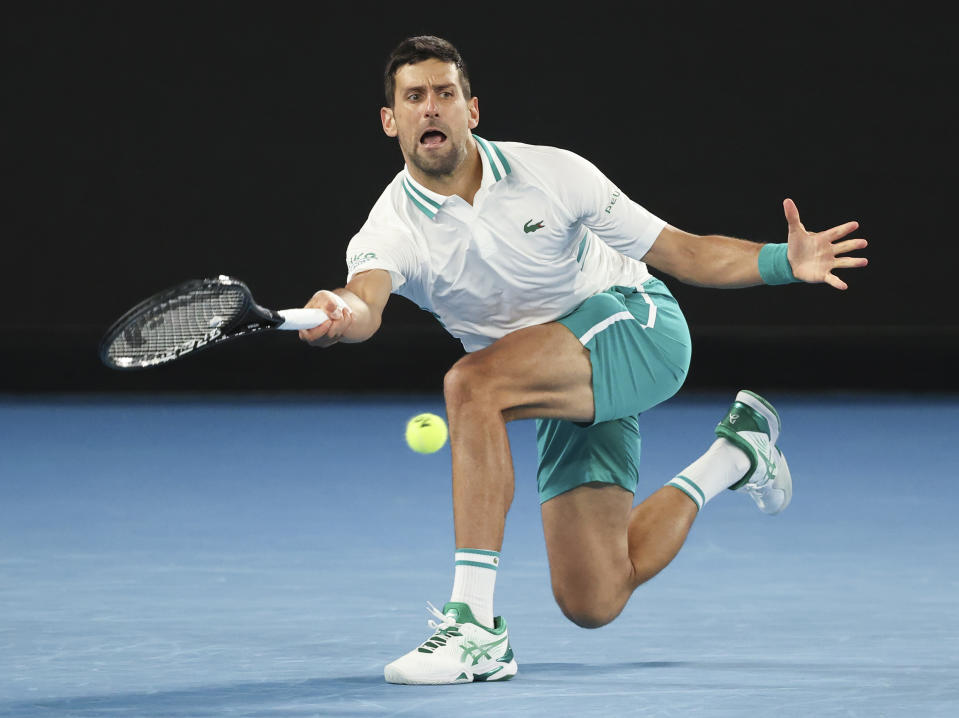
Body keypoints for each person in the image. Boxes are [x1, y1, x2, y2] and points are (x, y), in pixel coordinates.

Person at [298, 35, 868, 685]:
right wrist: (339, 311)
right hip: (552, 372)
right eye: (414, 97)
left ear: (471, 110)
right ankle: (735, 455)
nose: (431, 108)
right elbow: (365, 301)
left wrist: (780, 262)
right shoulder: (389, 227)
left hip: (635, 329)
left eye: (445, 94)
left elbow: (678, 252)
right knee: (593, 598)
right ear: (390, 120)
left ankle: (475, 629)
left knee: (471, 385)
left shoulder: (553, 174)